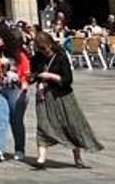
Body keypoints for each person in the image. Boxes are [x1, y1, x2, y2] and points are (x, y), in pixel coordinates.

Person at [30, 30, 101, 170]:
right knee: (43, 125)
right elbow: (33, 74)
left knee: (72, 125)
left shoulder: (61, 57)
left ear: (50, 44)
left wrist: (50, 76)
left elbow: (68, 79)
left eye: (44, 48)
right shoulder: (37, 58)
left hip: (62, 96)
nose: (42, 51)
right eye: (39, 49)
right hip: (44, 97)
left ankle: (78, 158)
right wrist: (34, 79)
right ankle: (41, 158)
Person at [0, 26, 30, 164]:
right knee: (0, 120)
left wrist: (25, 82)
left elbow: (26, 71)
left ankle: (19, 149)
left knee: (16, 121)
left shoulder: (20, 54)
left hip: (16, 91)